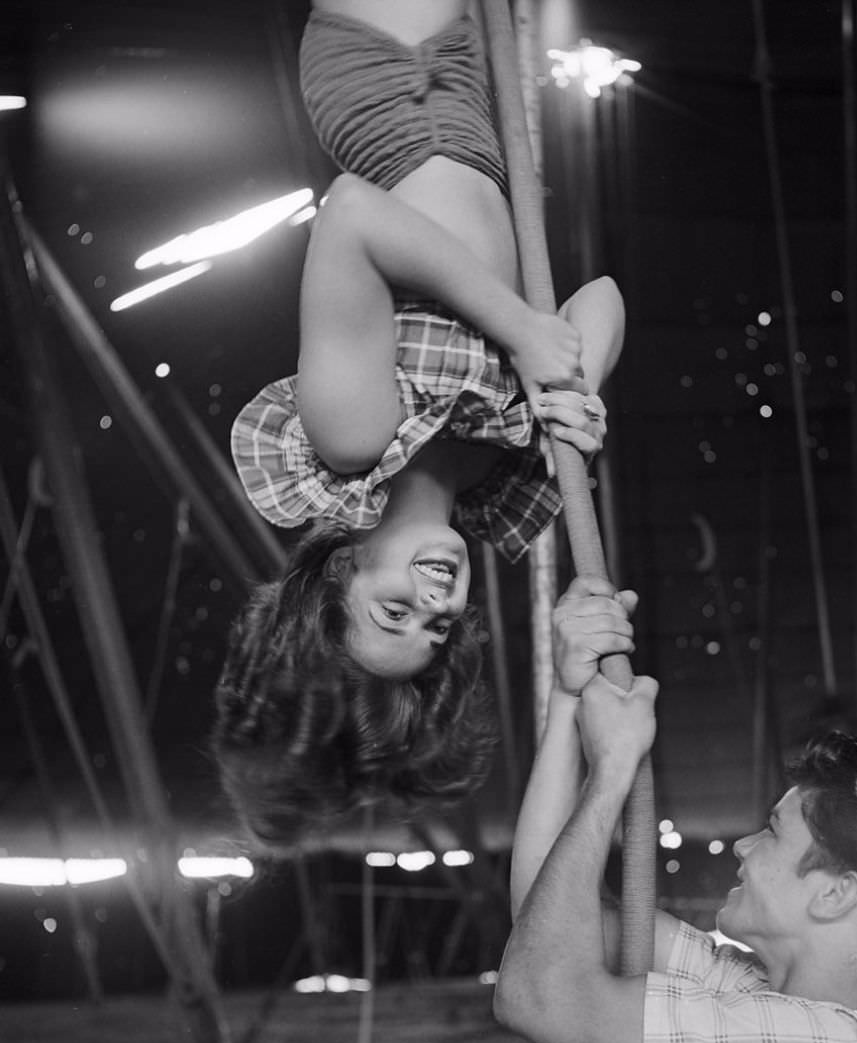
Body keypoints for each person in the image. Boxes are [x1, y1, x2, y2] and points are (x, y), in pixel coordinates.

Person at [213, 0, 625, 846]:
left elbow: (353, 212)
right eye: (436, 627)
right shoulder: (503, 468)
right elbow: (601, 299)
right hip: (473, 109)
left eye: (393, 611)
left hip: (384, 79)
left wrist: (520, 334)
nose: (435, 600)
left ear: (342, 575)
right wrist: (579, 392)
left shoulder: (352, 437)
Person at [493, 577, 857, 1043]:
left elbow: (537, 997)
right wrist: (568, 695)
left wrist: (611, 769)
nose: (741, 845)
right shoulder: (777, 998)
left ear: (836, 893)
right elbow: (545, 927)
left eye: (772, 832)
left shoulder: (825, 1042)